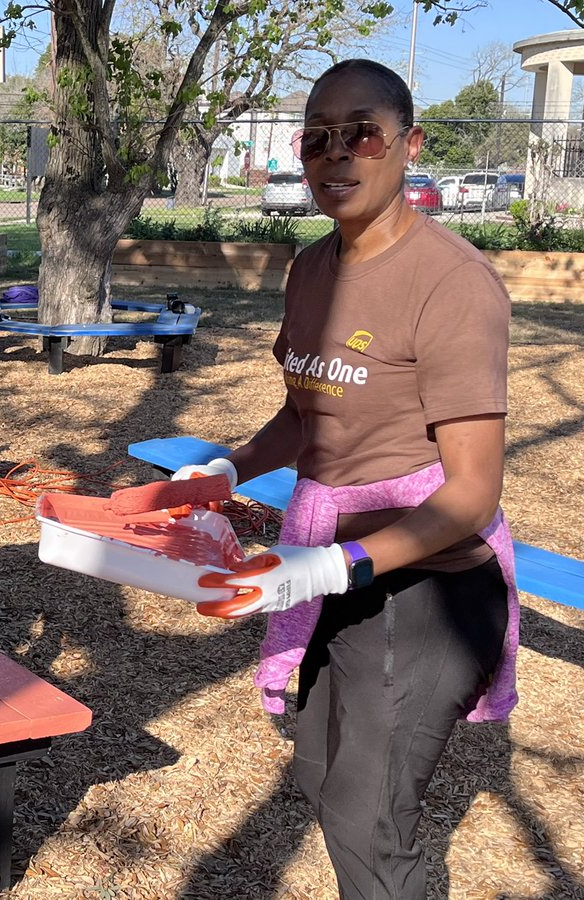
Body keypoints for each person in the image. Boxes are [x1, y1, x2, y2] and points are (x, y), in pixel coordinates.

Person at [175, 60, 517, 898]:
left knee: (368, 821)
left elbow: (473, 491)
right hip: (336, 565)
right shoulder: (312, 269)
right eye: (316, 139)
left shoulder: (451, 282)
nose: (337, 154)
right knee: (320, 771)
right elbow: (307, 415)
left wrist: (335, 566)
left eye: (362, 134)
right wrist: (227, 468)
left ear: (409, 144)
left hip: (431, 582)